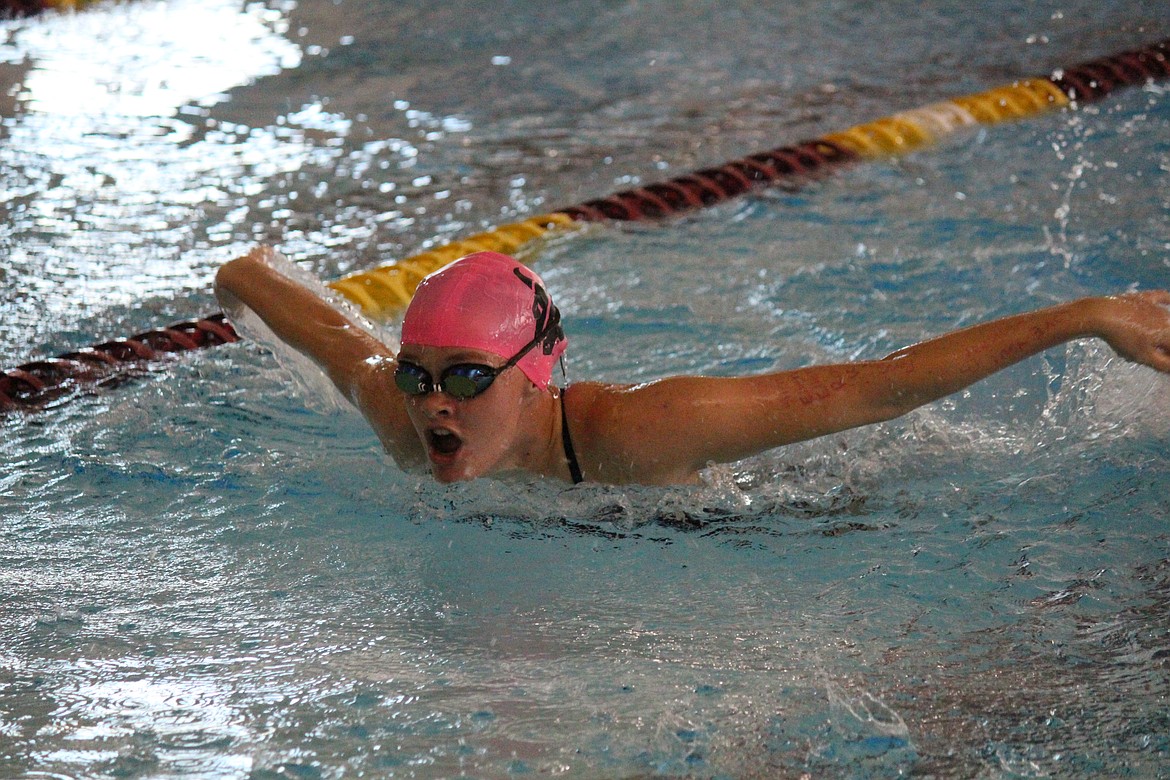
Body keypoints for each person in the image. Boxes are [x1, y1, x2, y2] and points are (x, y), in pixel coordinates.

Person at [215, 245, 1170, 486]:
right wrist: (239, 275)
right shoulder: (407, 415)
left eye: (467, 376)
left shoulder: (638, 430)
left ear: (535, 372)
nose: (433, 402)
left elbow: (880, 387)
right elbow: (317, 324)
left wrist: (1088, 317)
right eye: (418, 374)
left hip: (783, 519)